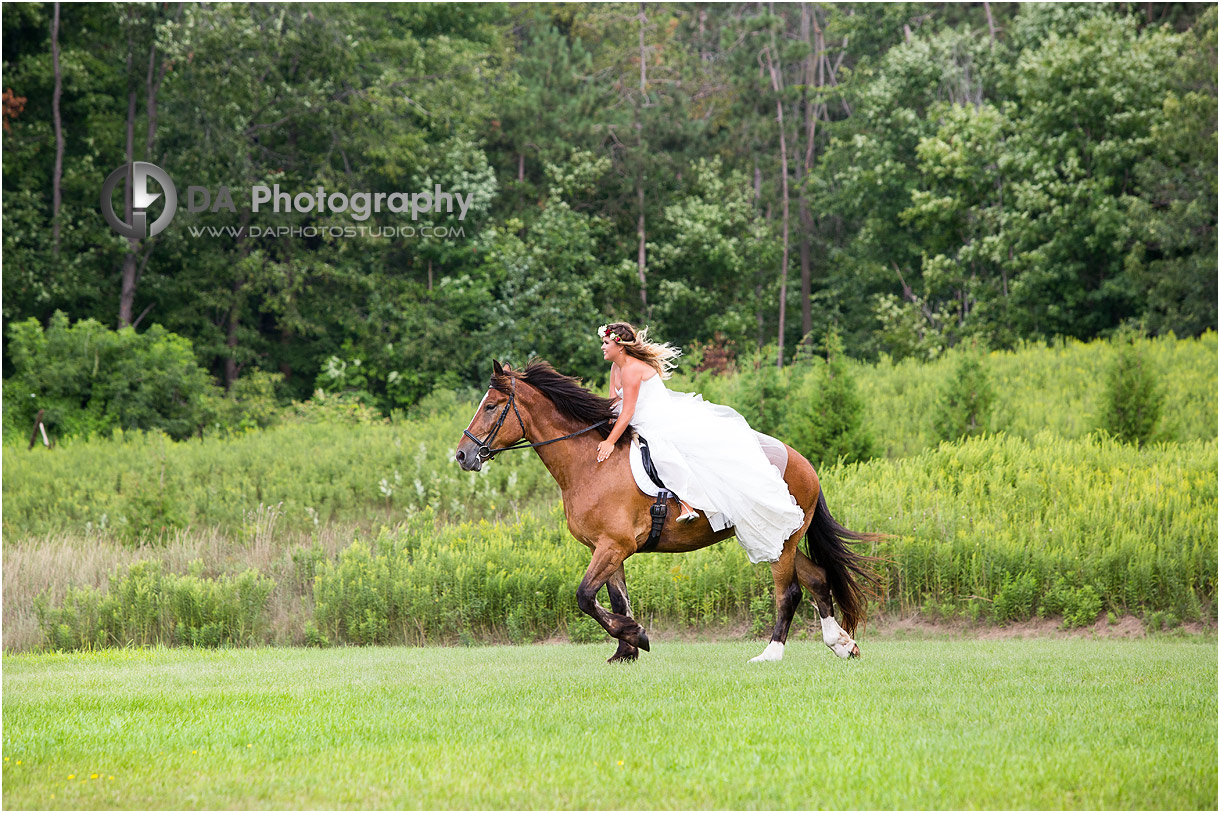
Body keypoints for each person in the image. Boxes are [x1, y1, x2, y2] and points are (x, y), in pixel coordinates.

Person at [593, 321, 805, 564]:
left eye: (605, 343)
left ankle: (687, 504)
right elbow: (613, 404)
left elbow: (628, 411)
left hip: (656, 420)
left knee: (662, 454)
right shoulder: (616, 368)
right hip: (639, 420)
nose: (602, 347)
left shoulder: (631, 369)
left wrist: (610, 441)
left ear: (619, 347)